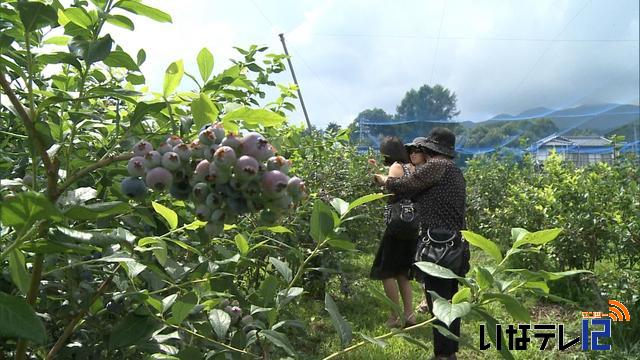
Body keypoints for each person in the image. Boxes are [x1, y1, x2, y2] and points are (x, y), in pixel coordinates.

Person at [374, 128, 468, 360]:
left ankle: (443, 355)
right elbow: (419, 194)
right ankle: (449, 352)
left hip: (439, 246)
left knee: (438, 302)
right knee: (447, 302)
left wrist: (384, 180)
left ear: (430, 149)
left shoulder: (437, 166)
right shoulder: (453, 171)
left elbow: (404, 185)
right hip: (453, 245)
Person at [369, 136, 427, 328]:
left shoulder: (396, 167)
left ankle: (393, 317)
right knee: (402, 272)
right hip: (412, 226)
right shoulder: (413, 167)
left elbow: (392, 189)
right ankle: (409, 314)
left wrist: (380, 185)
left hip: (397, 225)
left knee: (387, 272)